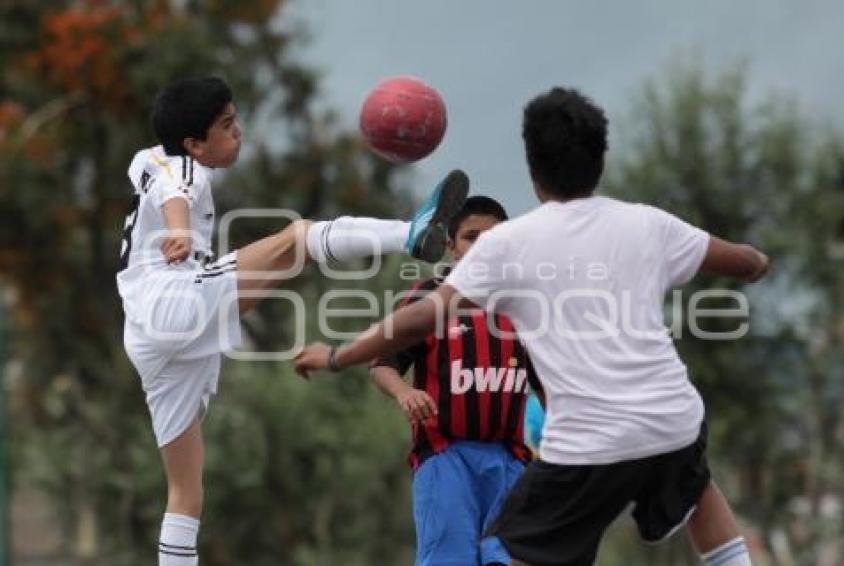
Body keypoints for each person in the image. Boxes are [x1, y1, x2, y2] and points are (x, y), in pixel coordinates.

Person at [294, 87, 769, 566]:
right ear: (600, 159)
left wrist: (338, 356)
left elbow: (420, 317)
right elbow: (746, 262)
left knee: (509, 551)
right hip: (673, 419)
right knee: (700, 497)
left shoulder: (511, 244)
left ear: (533, 169)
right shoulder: (649, 224)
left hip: (588, 441)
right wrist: (755, 260)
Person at [116, 76, 469, 566]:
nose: (238, 131)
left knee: (185, 490)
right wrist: (178, 232)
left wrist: (179, 232)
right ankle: (410, 234)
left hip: (149, 334)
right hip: (170, 301)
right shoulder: (184, 168)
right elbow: (177, 195)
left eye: (236, 119)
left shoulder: (147, 160)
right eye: (226, 125)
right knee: (298, 238)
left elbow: (167, 193)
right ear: (196, 143)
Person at [371, 195, 543, 566]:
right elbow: (382, 363)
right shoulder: (428, 298)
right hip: (446, 455)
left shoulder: (525, 305)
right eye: (471, 237)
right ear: (451, 246)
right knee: (450, 558)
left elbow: (547, 381)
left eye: (493, 239)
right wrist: (404, 392)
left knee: (512, 558)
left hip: (510, 459)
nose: (482, 247)